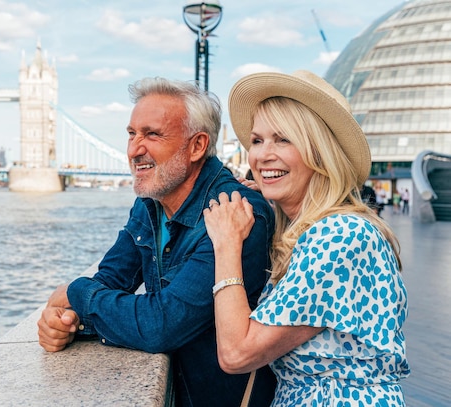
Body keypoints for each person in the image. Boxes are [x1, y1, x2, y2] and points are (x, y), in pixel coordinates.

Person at [37, 77, 277, 406]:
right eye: (131, 134)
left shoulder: (237, 213)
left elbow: (161, 325)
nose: (135, 149)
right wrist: (69, 320)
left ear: (197, 146)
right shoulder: (151, 201)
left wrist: (76, 293)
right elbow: (111, 279)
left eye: (152, 134)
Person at [204, 70, 410, 405]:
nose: (262, 155)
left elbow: (237, 354)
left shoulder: (340, 235)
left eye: (283, 139)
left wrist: (226, 242)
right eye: (257, 140)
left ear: (321, 152)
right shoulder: (308, 232)